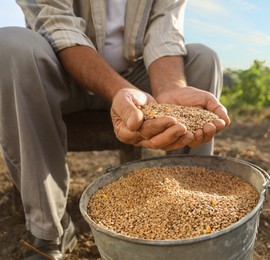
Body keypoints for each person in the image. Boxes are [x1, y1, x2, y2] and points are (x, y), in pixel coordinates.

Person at [0, 0, 230, 259]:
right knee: (9, 45)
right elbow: (58, 26)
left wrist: (170, 89)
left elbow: (165, 30)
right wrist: (118, 90)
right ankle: (49, 231)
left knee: (204, 58)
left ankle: (191, 204)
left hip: (135, 78)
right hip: (60, 74)